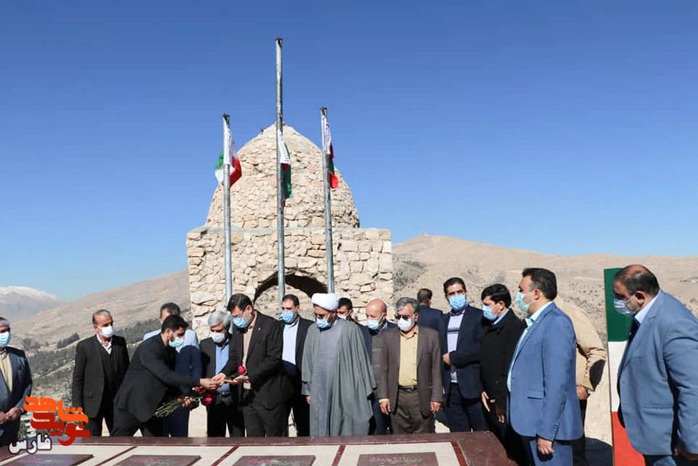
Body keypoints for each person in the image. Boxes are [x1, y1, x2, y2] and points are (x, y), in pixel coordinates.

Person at [614, 265, 698, 465]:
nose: (617, 302)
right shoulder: (647, 314)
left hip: (673, 445)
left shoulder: (674, 323)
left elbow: (692, 386)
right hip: (654, 436)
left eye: (620, 296)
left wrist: (692, 443)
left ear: (639, 296)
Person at [508, 268, 583, 465]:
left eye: (521, 290)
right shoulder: (535, 323)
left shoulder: (556, 323)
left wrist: (547, 431)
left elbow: (557, 383)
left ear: (536, 293)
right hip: (529, 422)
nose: (518, 295)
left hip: (545, 429)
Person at [113, 315, 217, 436]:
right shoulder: (150, 348)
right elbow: (166, 376)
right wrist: (199, 381)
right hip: (132, 405)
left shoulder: (170, 350)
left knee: (157, 444)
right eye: (179, 335)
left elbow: (170, 381)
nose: (182, 339)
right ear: (168, 331)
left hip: (153, 407)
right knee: (118, 442)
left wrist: (181, 396)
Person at [213, 293, 289, 437]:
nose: (236, 320)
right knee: (253, 440)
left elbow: (273, 359)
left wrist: (248, 377)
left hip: (268, 396)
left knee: (276, 439)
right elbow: (234, 358)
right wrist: (223, 374)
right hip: (247, 397)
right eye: (233, 317)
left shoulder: (270, 326)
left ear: (249, 309)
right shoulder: (238, 330)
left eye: (237, 316)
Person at [302, 293, 375, 436]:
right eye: (316, 315)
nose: (318, 319)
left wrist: (360, 389)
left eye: (322, 315)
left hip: (345, 387)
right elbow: (307, 361)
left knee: (345, 422)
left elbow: (360, 361)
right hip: (320, 387)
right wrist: (308, 390)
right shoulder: (312, 330)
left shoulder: (350, 329)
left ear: (334, 312)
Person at [377, 297, 442, 434]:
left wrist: (436, 397)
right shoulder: (389, 337)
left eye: (405, 317)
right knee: (400, 438)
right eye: (398, 316)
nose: (401, 320)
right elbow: (384, 369)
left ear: (415, 316)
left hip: (420, 396)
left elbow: (436, 369)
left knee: (424, 437)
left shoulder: (431, 336)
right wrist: (383, 396)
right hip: (397, 397)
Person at [478, 285, 526, 464]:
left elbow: (509, 368)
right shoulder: (489, 326)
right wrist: (482, 388)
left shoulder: (514, 328)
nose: (484, 308)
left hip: (504, 402)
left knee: (511, 450)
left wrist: (501, 401)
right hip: (489, 396)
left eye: (487, 304)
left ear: (501, 305)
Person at [143, 302, 201, 437]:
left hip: (181, 397)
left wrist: (194, 391)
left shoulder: (189, 336)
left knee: (180, 438)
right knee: (159, 438)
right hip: (158, 398)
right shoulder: (150, 339)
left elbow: (196, 365)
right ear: (160, 320)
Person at [440, 277, 488, 432]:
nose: (456, 296)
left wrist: (454, 358)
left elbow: (482, 349)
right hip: (451, 389)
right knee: (459, 435)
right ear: (446, 297)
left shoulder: (478, 316)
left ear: (466, 292)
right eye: (452, 293)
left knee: (481, 434)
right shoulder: (443, 320)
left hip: (473, 387)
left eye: (459, 292)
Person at [72, 309, 130, 436]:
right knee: (92, 439)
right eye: (105, 325)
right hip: (92, 405)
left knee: (120, 438)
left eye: (111, 323)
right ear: (96, 328)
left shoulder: (120, 343)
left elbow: (127, 372)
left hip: (115, 403)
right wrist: (77, 406)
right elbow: (78, 378)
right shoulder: (85, 347)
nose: (110, 327)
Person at [562, 304, 607, 466]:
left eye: (522, 291)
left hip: (570, 396)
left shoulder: (569, 313)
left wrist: (587, 386)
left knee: (572, 451)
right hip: (544, 396)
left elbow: (596, 351)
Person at [200, 311, 244, 437]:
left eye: (218, 330)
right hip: (215, 399)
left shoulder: (236, 343)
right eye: (212, 330)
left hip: (234, 398)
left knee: (238, 437)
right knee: (215, 438)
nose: (215, 334)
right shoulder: (205, 345)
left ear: (226, 328)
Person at [279, 294, 312, 437]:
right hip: (282, 382)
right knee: (280, 423)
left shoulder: (308, 327)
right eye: (283, 309)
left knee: (303, 423)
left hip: (300, 381)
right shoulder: (277, 327)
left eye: (289, 309)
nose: (285, 312)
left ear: (297, 308)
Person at [364, 298, 397, 435]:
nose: (369, 320)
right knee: (377, 432)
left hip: (394, 392)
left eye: (373, 316)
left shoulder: (397, 331)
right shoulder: (362, 333)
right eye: (367, 316)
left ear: (384, 316)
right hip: (373, 394)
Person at [0, 317, 32, 446]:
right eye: (2, 331)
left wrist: (20, 407)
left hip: (11, 426)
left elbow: (27, 384)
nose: (6, 334)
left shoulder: (18, 356)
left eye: (8, 330)